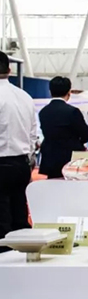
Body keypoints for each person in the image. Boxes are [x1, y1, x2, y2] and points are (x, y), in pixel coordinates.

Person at [0, 51, 37, 252]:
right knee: (20, 216)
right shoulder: (25, 96)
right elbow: (33, 134)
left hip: (2, 162)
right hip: (21, 163)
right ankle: (24, 257)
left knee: (2, 222)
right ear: (9, 69)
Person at [38, 76, 88, 179]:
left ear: (50, 92)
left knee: (52, 185)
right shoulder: (73, 111)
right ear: (69, 92)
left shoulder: (43, 112)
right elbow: (86, 135)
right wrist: (76, 142)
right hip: (70, 159)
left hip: (50, 158)